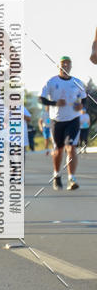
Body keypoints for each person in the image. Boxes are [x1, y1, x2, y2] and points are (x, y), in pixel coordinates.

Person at [40, 57, 86, 191]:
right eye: (62, 63)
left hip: (73, 120)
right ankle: (56, 175)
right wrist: (54, 103)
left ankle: (72, 178)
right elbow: (41, 98)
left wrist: (81, 107)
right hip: (57, 120)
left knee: (71, 148)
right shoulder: (51, 82)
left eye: (68, 63)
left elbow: (84, 100)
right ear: (58, 66)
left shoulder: (77, 82)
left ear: (71, 66)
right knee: (58, 150)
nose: (65, 65)